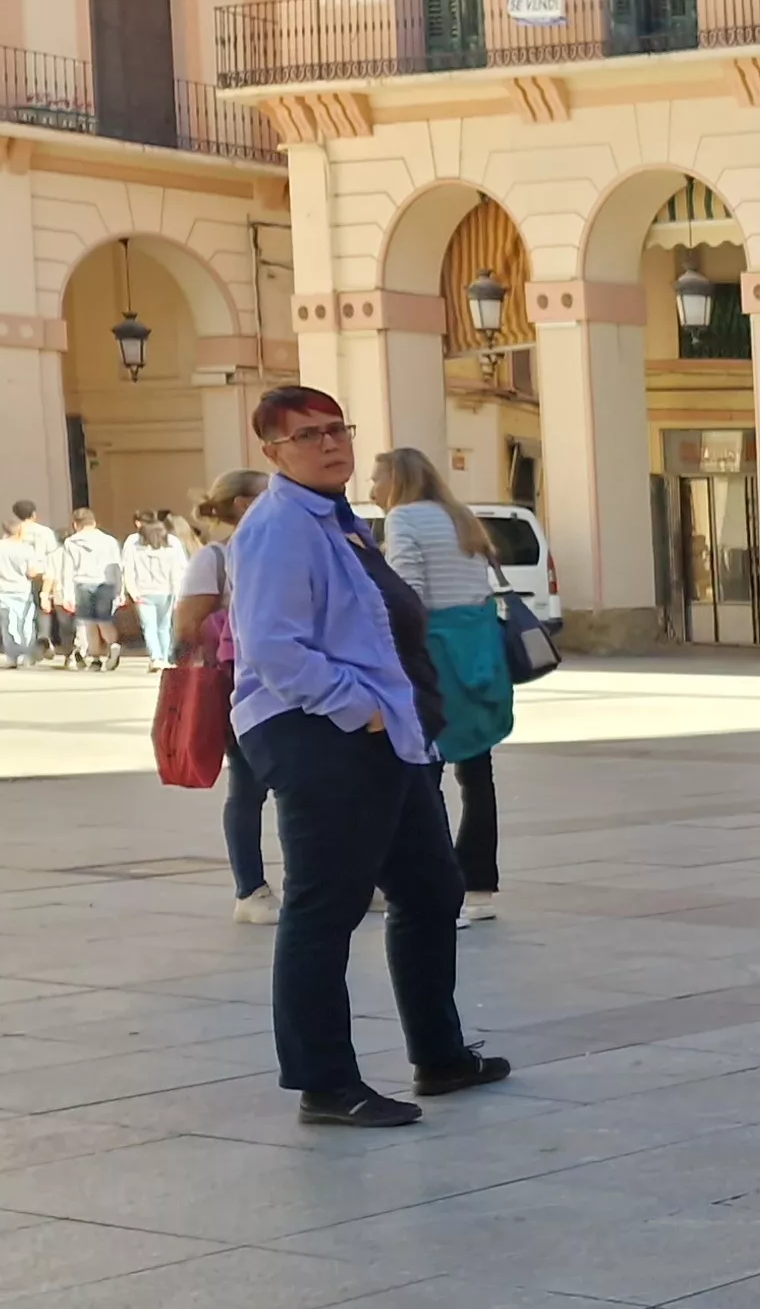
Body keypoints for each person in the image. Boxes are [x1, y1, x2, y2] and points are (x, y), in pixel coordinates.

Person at [230, 387, 506, 1126]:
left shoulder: (339, 521)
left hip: (385, 735)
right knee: (326, 907)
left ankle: (439, 1057)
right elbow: (273, 648)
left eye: (336, 430)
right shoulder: (279, 527)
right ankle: (325, 1083)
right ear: (274, 452)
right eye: (308, 436)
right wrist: (364, 711)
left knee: (429, 888)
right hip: (322, 734)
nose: (329, 445)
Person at [370, 448, 514, 925]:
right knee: (477, 772)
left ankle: (434, 883)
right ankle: (480, 885)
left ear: (396, 482)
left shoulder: (404, 519)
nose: (371, 490)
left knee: (423, 771)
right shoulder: (462, 518)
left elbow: (408, 592)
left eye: (376, 480)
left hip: (435, 657)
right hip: (478, 652)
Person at [176, 472, 279, 923]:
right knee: (248, 787)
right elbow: (186, 628)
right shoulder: (214, 559)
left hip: (283, 682)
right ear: (242, 504)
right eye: (266, 492)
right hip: (239, 685)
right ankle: (250, 889)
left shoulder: (275, 547)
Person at [121, 515, 189, 670]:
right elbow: (179, 571)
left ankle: (155, 657)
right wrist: (178, 593)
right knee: (164, 626)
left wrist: (132, 591)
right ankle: (165, 657)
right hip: (167, 592)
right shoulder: (172, 547)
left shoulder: (135, 548)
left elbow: (128, 570)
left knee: (149, 626)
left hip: (143, 592)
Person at [60, 510, 124, 670]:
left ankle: (95, 658)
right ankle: (113, 644)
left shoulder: (71, 542)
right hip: (105, 582)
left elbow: (67, 569)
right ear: (94, 523)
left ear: (76, 524)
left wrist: (67, 594)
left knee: (89, 623)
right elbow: (117, 566)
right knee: (104, 620)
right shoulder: (109, 541)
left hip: (82, 582)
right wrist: (120, 590)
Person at [0, 514, 49, 668]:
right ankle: (26, 654)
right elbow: (32, 572)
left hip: (2, 590)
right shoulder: (26, 549)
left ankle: (12, 656)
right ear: (20, 531)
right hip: (22, 590)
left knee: (7, 624)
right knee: (25, 623)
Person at [13, 501, 67, 666]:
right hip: (42, 574)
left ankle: (28, 650)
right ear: (34, 514)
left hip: (20, 577)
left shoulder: (14, 532)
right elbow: (53, 554)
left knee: (24, 613)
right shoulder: (45, 532)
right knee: (43, 609)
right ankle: (43, 638)